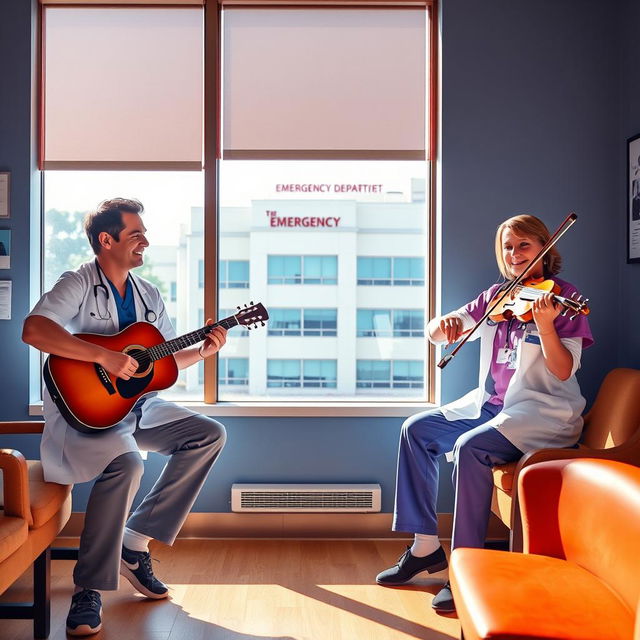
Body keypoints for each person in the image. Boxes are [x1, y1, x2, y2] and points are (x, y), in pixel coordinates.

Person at [22, 198, 228, 636]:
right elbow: (34, 330)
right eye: (136, 235)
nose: (145, 243)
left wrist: (204, 351)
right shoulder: (77, 282)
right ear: (106, 239)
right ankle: (88, 589)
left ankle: (133, 544)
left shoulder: (148, 293)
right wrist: (103, 356)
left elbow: (161, 364)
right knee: (129, 461)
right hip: (87, 413)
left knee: (208, 433)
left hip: (138, 407)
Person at [375, 214, 593, 612]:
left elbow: (563, 369)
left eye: (524, 245)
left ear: (545, 247)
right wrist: (443, 325)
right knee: (415, 430)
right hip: (491, 405)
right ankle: (425, 548)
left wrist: (546, 326)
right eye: (508, 247)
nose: (514, 254)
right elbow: (441, 331)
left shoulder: (561, 298)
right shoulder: (498, 295)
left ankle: (466, 571)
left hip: (541, 412)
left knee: (470, 447)